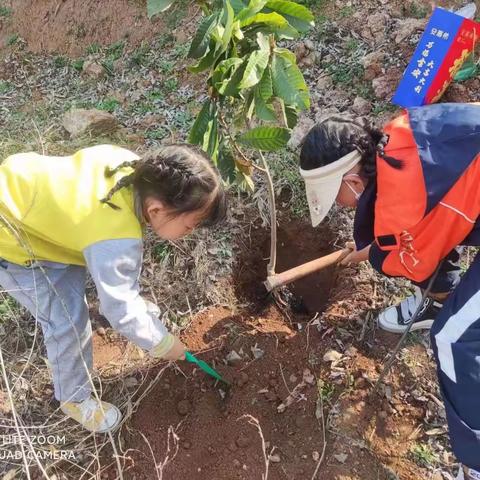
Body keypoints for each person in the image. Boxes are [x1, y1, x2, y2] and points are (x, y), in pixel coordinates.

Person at [299, 103, 480, 480]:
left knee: (452, 340)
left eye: (336, 196)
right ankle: (440, 301)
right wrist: (380, 244)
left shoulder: (404, 201)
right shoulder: (397, 137)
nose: (338, 205)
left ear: (352, 180)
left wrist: (376, 251)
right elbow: (434, 216)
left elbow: (410, 259)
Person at [0, 143, 226, 433]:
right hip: (14, 241)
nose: (189, 234)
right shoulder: (114, 239)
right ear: (156, 209)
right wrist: (164, 344)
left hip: (30, 197)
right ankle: (74, 398)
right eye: (189, 227)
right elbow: (119, 308)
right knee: (66, 320)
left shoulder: (130, 167)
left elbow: (111, 265)